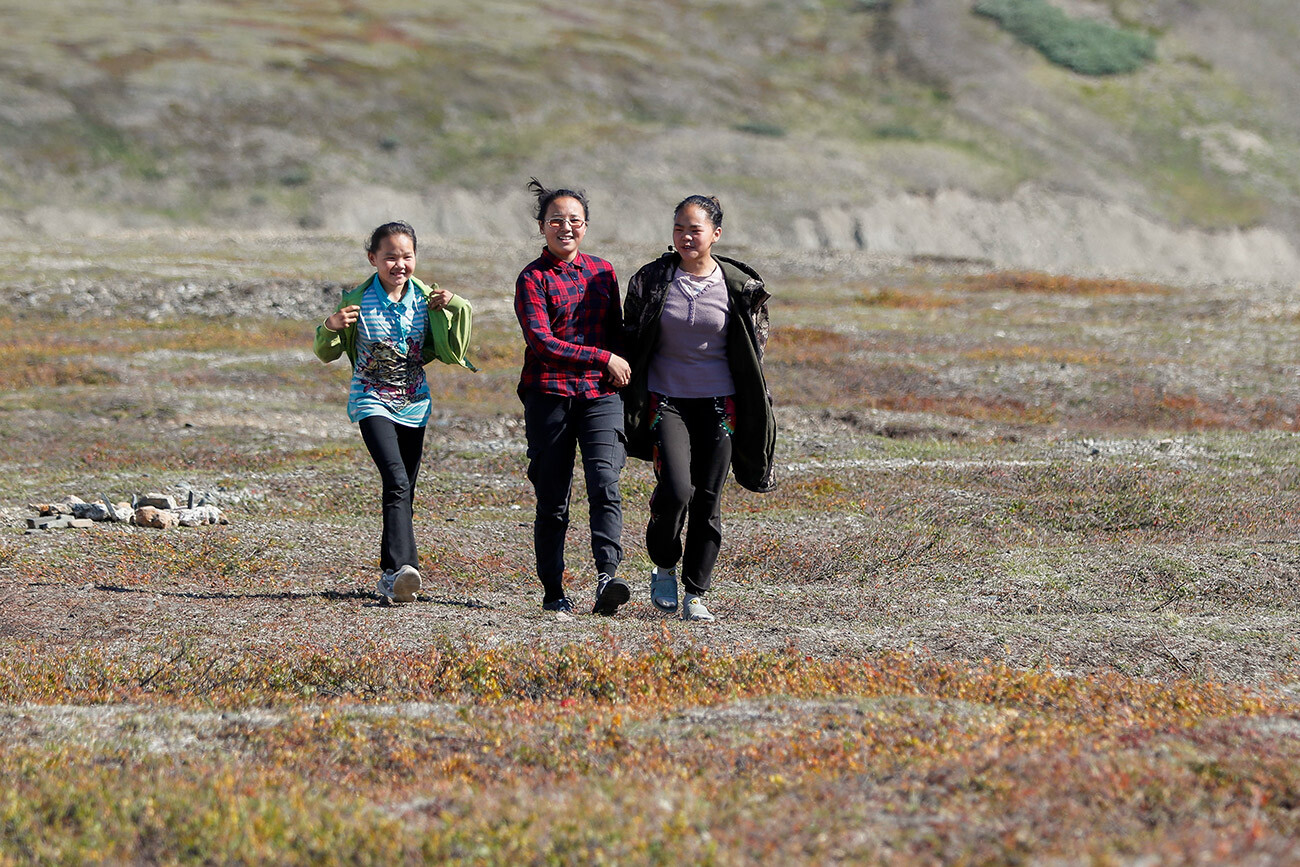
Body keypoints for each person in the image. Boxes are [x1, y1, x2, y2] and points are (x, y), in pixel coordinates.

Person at [623, 195, 776, 622]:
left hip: (719, 405)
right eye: (679, 229)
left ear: (716, 234)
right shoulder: (650, 281)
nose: (686, 237)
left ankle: (695, 594)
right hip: (666, 402)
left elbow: (754, 354)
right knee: (676, 490)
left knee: (708, 499)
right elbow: (631, 337)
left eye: (695, 229)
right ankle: (664, 564)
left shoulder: (741, 287)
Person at [314, 221, 475, 603]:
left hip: (415, 404)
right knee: (397, 480)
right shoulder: (355, 300)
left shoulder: (427, 298)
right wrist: (330, 326)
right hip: (371, 400)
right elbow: (325, 352)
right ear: (373, 259)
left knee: (402, 488)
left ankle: (391, 575)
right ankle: (407, 566)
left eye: (407, 256)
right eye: (390, 257)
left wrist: (455, 304)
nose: (399, 265)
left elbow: (456, 344)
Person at [514, 178, 631, 615]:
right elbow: (543, 343)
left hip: (601, 396)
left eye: (575, 221)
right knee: (553, 499)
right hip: (550, 397)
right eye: (556, 221)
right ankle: (553, 592)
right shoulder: (532, 279)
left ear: (586, 226)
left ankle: (608, 577)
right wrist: (603, 357)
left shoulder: (603, 271)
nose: (566, 228)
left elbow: (618, 331)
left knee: (605, 481)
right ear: (542, 227)